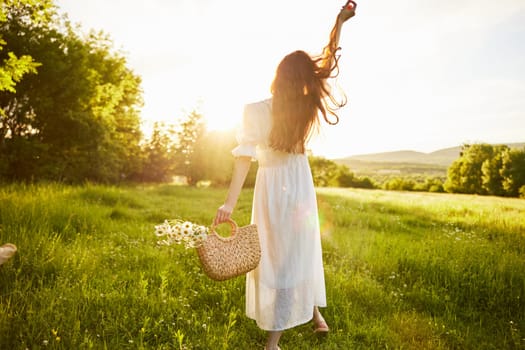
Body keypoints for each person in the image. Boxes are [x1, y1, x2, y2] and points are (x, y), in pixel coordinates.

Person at [214, 2, 356, 349]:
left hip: (276, 186)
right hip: (296, 183)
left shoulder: (256, 111)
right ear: (302, 82)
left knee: (285, 255)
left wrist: (229, 203)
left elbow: (244, 158)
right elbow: (328, 61)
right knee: (294, 251)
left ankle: (273, 342)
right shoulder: (300, 107)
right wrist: (339, 23)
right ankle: (314, 313)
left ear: (278, 75)